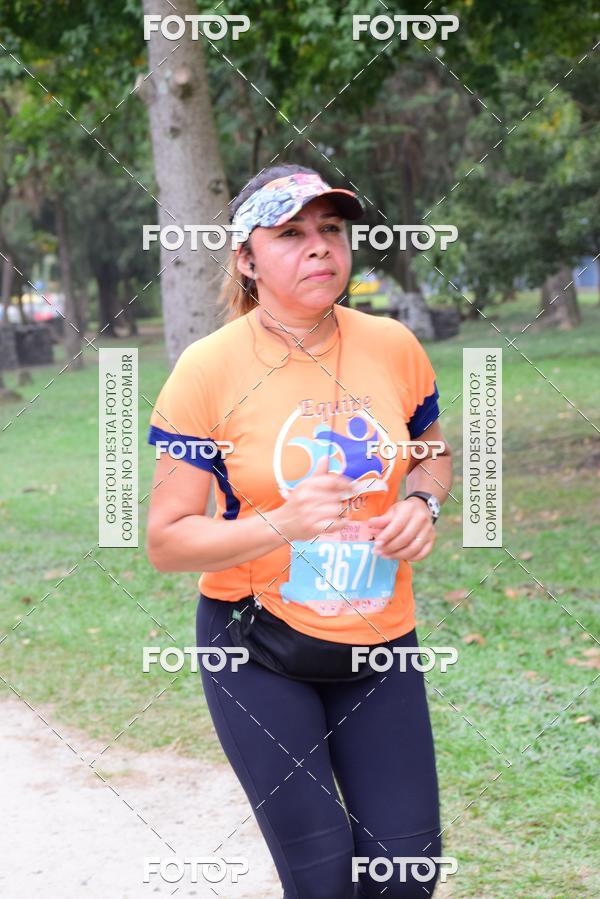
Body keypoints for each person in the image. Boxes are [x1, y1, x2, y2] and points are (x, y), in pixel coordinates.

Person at [146, 163, 454, 899]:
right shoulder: (208, 368)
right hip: (257, 647)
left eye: (331, 230)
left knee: (407, 875)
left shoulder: (393, 346)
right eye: (291, 233)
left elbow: (433, 453)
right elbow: (167, 539)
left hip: (381, 640)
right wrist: (281, 521)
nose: (319, 247)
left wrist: (423, 502)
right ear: (247, 259)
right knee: (322, 879)